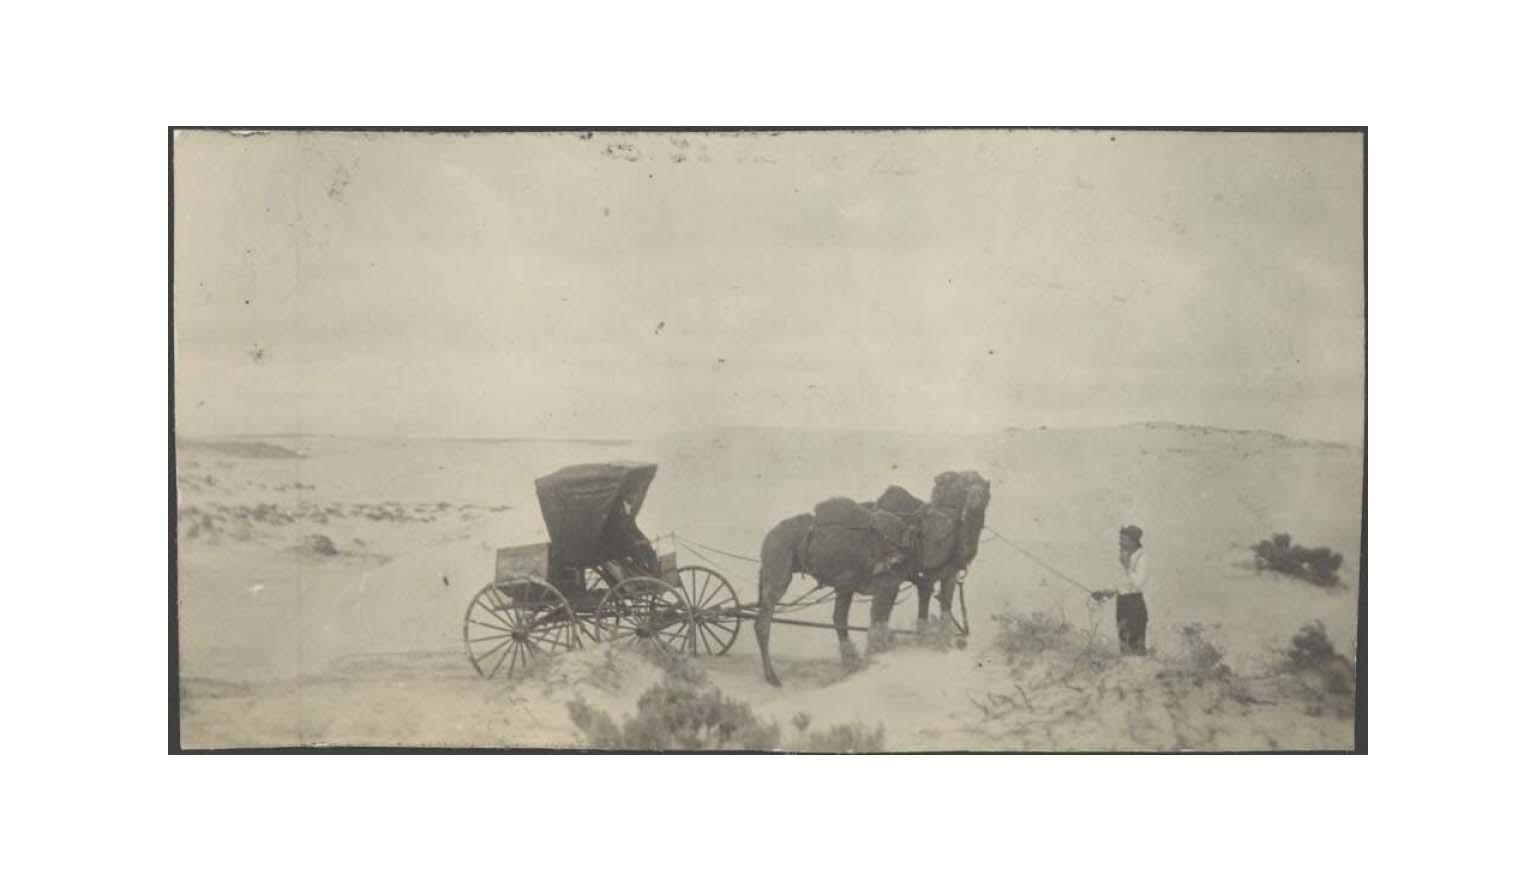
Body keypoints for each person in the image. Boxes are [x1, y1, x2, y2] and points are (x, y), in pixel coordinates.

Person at [1093, 525, 1150, 654]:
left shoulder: (1143, 558)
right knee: (1124, 644)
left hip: (1135, 604)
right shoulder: (1124, 557)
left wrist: (1126, 566)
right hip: (1122, 602)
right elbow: (1119, 583)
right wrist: (1104, 593)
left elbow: (1138, 583)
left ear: (1133, 541)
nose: (1120, 543)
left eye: (1123, 539)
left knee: (1136, 646)